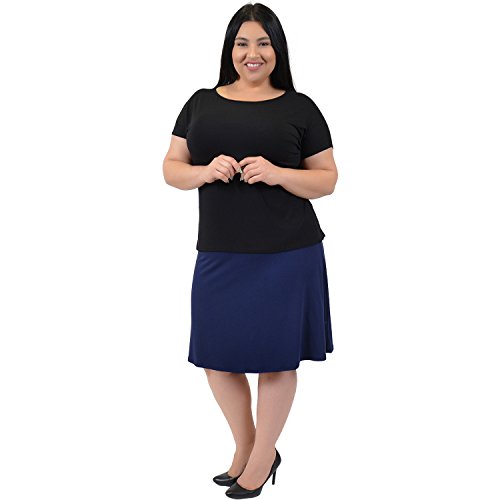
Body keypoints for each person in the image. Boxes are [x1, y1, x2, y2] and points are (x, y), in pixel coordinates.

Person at [162, 3, 338, 498]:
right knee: (216, 358)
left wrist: (279, 173)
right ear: (230, 49)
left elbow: (327, 179)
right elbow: (171, 167)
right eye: (242, 43)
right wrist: (204, 171)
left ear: (277, 50)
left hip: (288, 253)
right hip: (220, 250)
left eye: (263, 43)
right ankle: (248, 445)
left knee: (277, 360)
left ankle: (260, 460)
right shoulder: (200, 103)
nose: (252, 53)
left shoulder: (300, 107)